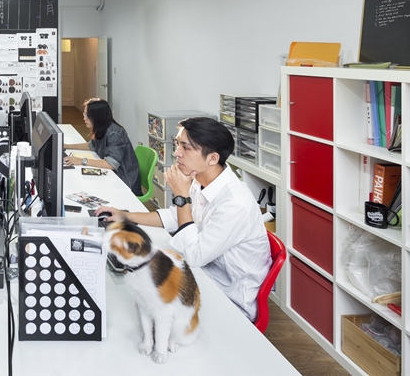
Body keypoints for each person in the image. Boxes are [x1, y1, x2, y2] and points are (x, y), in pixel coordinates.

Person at [96, 116, 271, 321]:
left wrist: (181, 196)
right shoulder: (202, 179)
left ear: (212, 158)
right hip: (202, 276)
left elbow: (196, 256)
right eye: (178, 144)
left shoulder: (235, 203)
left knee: (131, 306)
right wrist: (126, 216)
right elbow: (176, 216)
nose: (177, 153)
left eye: (186, 147)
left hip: (228, 298)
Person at [63, 98, 142, 195]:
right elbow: (92, 146)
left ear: (97, 116)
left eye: (88, 115)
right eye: (84, 114)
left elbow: (110, 164)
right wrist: (67, 146)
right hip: (113, 176)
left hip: (124, 182)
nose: (84, 118)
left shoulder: (114, 133)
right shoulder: (101, 128)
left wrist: (81, 161)